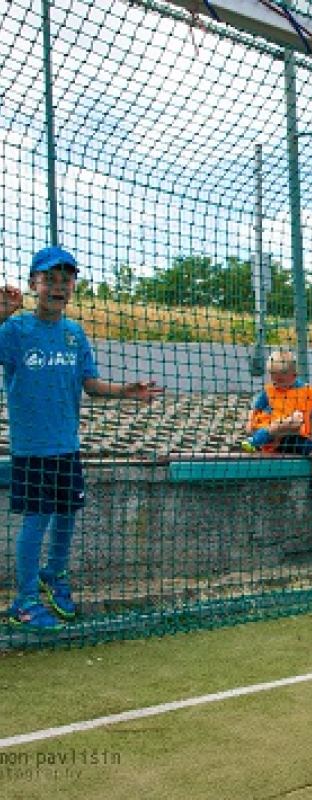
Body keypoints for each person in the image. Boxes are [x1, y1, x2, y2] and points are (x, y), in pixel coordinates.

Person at [0, 246, 163, 631]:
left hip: (66, 445)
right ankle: (24, 601)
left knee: (68, 515)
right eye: (49, 279)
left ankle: (53, 573)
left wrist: (126, 391)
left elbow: (89, 384)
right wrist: (3, 312)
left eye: (66, 279)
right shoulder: (15, 330)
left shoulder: (74, 333)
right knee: (36, 521)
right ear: (33, 284)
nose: (58, 286)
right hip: (32, 448)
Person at [241, 349, 312, 520]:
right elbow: (252, 417)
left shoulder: (307, 392)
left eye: (280, 380)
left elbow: (307, 419)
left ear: (293, 375)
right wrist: (252, 426)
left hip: (294, 437)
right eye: (273, 379)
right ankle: (257, 440)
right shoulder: (268, 392)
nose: (276, 384)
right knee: (292, 420)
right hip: (273, 438)